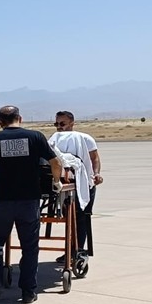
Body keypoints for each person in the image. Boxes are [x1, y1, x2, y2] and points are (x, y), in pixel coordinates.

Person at [0, 105, 62, 304]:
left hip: (3, 200)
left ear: (0, 122)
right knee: (30, 246)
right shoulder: (35, 137)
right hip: (29, 200)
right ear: (20, 118)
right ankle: (28, 291)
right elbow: (56, 162)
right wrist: (56, 182)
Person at [48, 110, 101, 257]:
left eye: (62, 123)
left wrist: (96, 174)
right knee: (69, 218)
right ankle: (70, 250)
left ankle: (78, 250)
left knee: (82, 217)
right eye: (56, 124)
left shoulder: (85, 138)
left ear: (72, 123)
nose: (59, 127)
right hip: (65, 182)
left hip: (85, 181)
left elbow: (95, 159)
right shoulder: (54, 139)